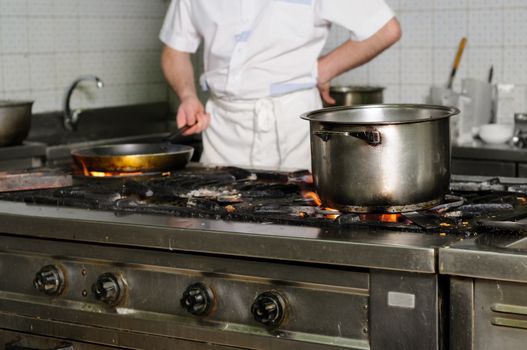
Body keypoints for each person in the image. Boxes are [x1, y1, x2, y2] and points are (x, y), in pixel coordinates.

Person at [160, 0, 401, 170]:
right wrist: (187, 95)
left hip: (289, 122)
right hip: (222, 125)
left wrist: (320, 70)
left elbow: (384, 29)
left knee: (293, 221)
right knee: (217, 216)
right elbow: (175, 50)